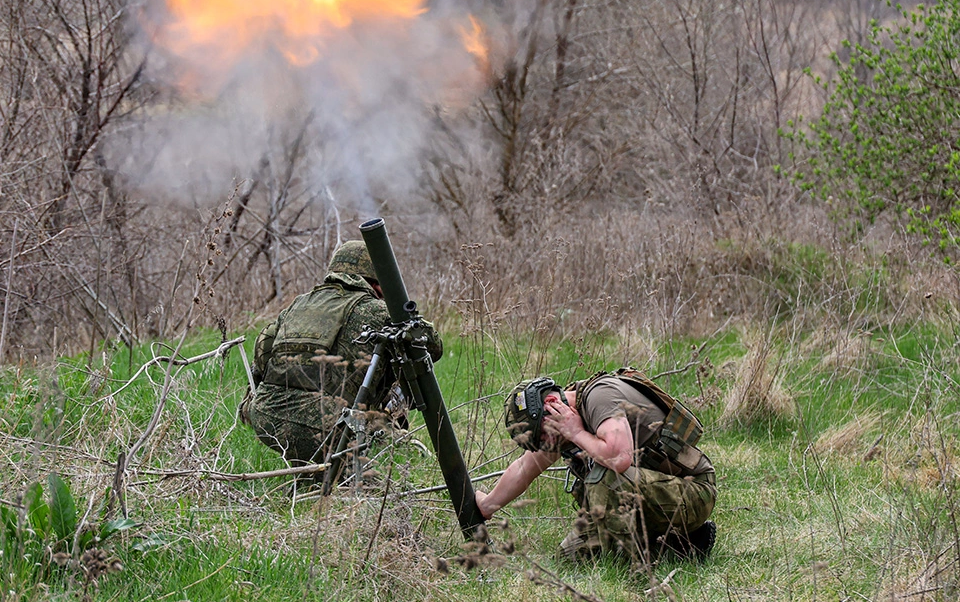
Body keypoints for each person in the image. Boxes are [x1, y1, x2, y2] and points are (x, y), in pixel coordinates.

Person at [239, 240, 442, 472]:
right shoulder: (376, 310)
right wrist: (398, 308)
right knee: (373, 482)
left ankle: (309, 472)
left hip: (266, 417)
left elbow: (262, 358)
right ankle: (381, 452)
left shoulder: (298, 305)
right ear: (376, 283)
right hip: (330, 426)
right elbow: (433, 346)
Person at [475, 370, 717, 563]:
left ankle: (636, 560)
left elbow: (619, 458)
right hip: (652, 495)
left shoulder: (599, 398)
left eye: (542, 436)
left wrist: (577, 432)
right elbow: (523, 469)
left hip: (693, 492)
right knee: (570, 557)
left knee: (606, 477)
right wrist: (487, 505)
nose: (545, 445)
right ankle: (681, 544)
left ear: (551, 403)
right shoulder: (561, 419)